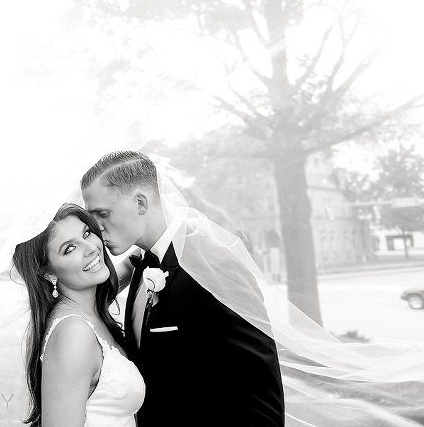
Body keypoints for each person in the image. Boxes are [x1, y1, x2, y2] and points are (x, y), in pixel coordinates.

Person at [81, 150, 285, 426]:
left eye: (102, 214)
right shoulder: (139, 266)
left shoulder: (216, 266)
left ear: (140, 203)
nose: (96, 228)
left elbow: (262, 401)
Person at [11, 203, 145, 427]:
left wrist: (158, 243)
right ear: (47, 272)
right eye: (69, 248)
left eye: (86, 233)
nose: (91, 248)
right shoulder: (74, 333)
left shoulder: (88, 309)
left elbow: (123, 271)